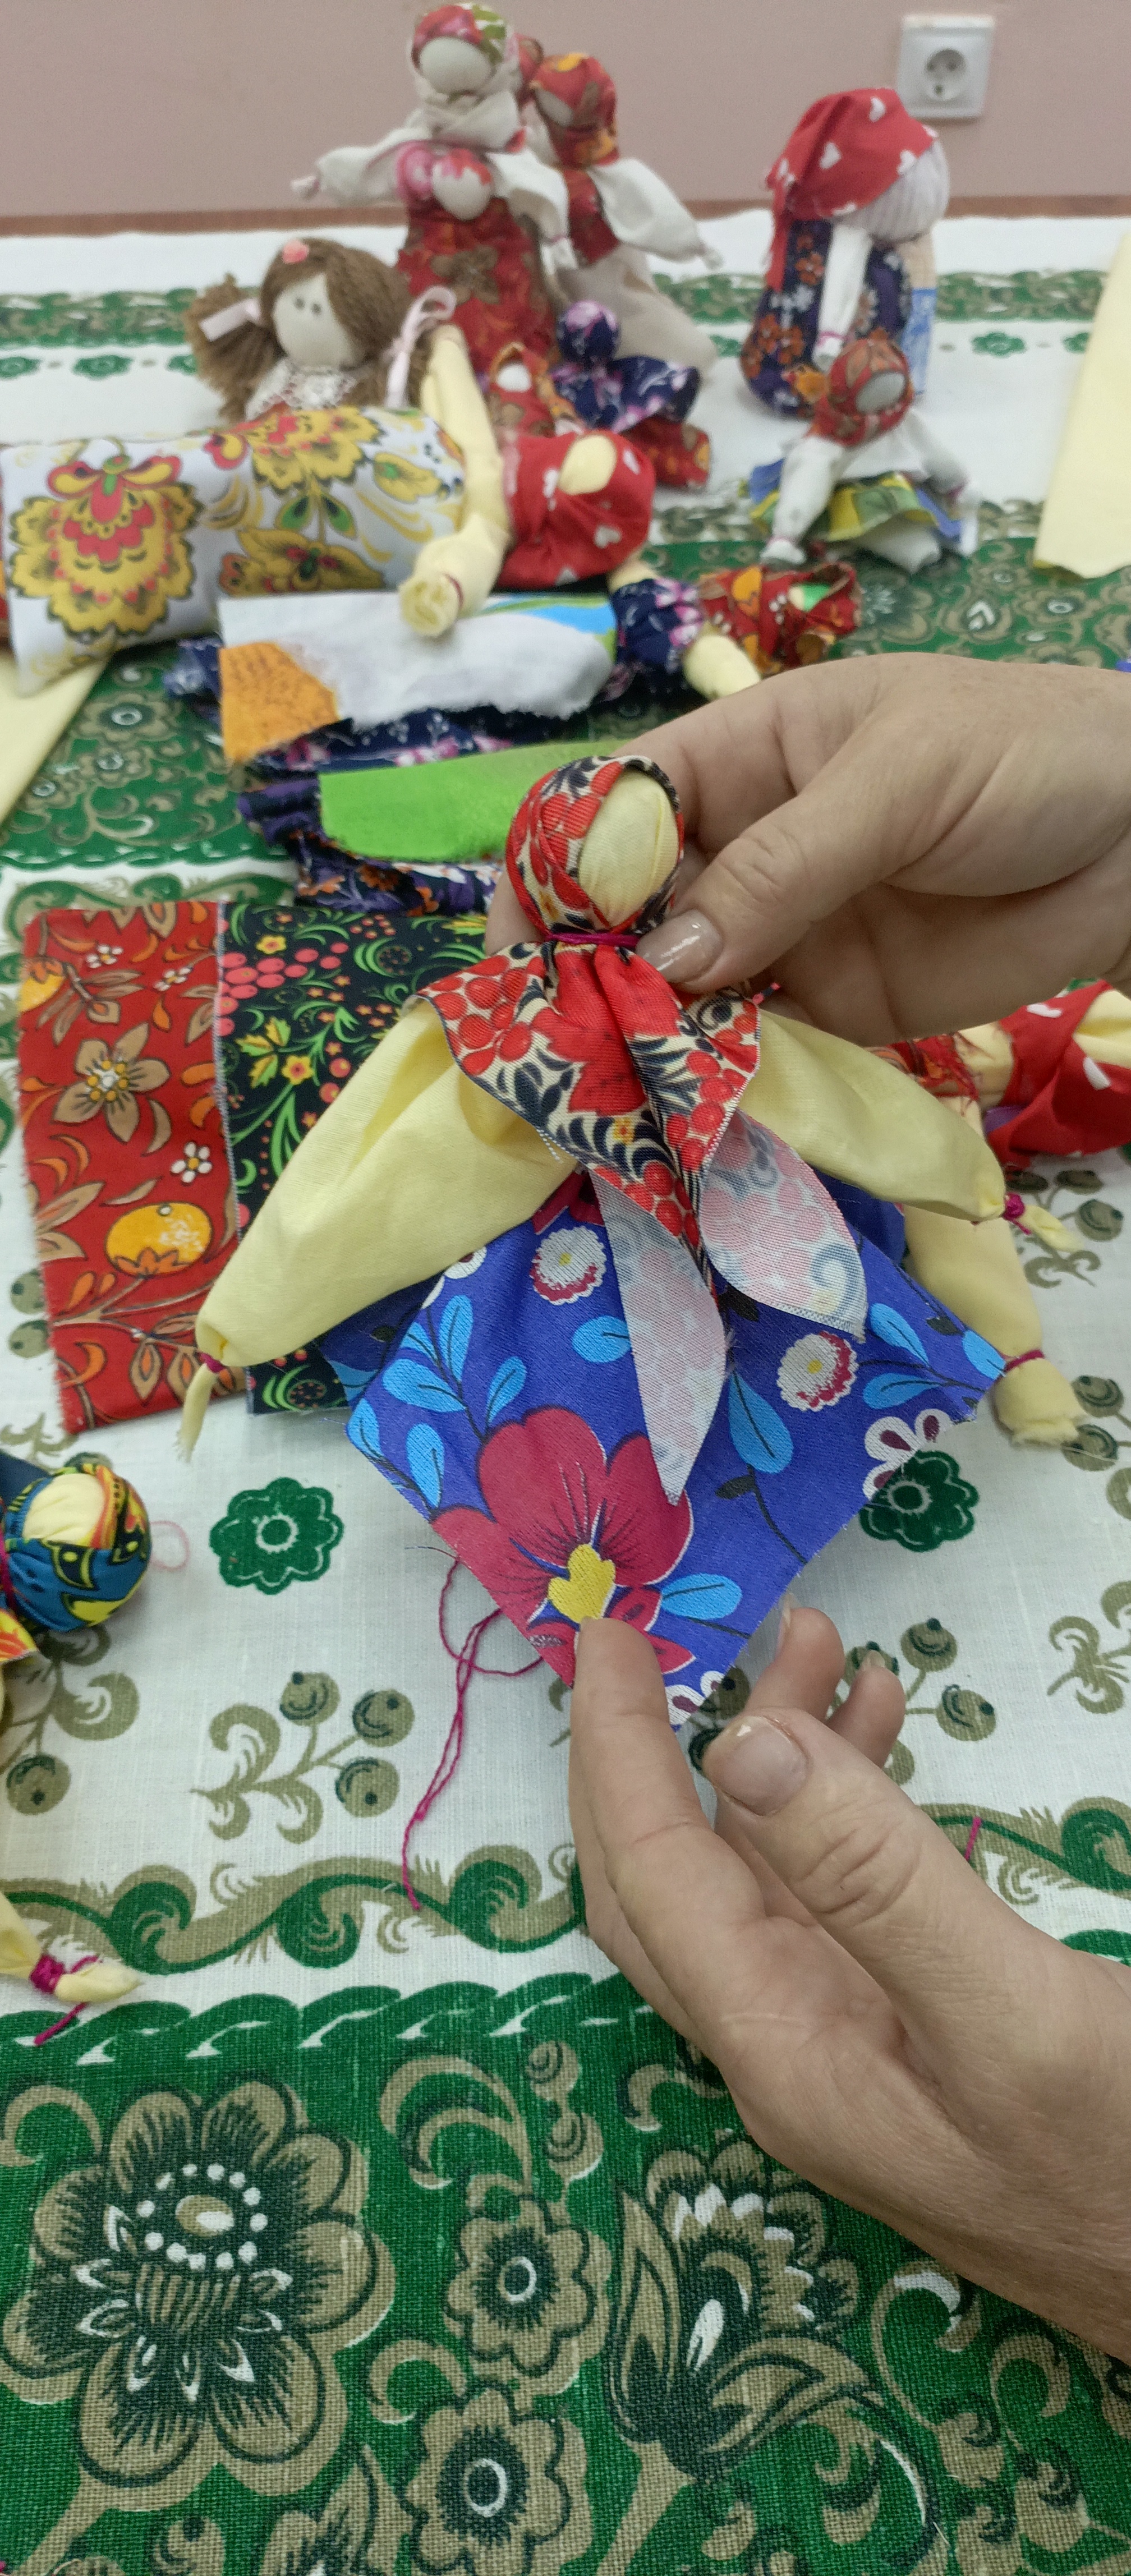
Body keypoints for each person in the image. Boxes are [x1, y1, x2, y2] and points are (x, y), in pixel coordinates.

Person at [486, 654, 1131, 2361]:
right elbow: (387, 1170)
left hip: (763, 1296)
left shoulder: (723, 1025)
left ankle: (960, 1382)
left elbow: (885, 1129)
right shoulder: (520, 1030)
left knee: (838, 1295)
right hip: (587, 1321)